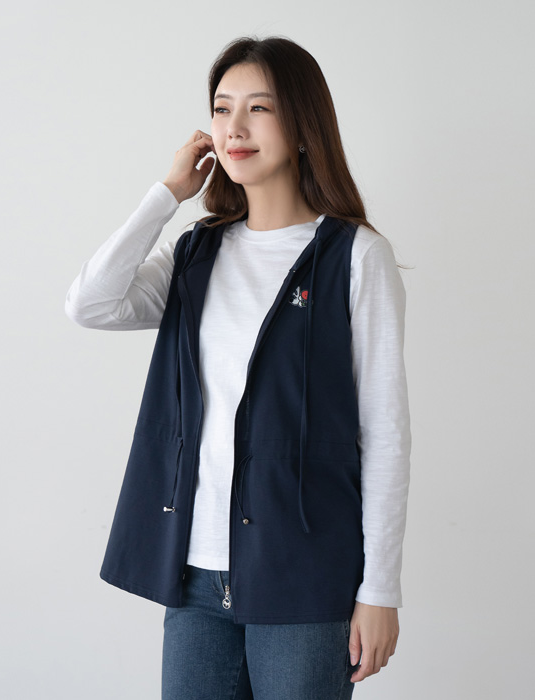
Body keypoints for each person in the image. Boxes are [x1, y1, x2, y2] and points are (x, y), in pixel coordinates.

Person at [65, 35, 411, 700]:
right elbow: (91, 304)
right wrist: (168, 195)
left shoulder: (355, 257)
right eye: (222, 109)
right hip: (194, 574)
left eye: (260, 108)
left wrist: (380, 590)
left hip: (304, 573)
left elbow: (385, 434)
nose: (235, 128)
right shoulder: (196, 253)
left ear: (303, 126)